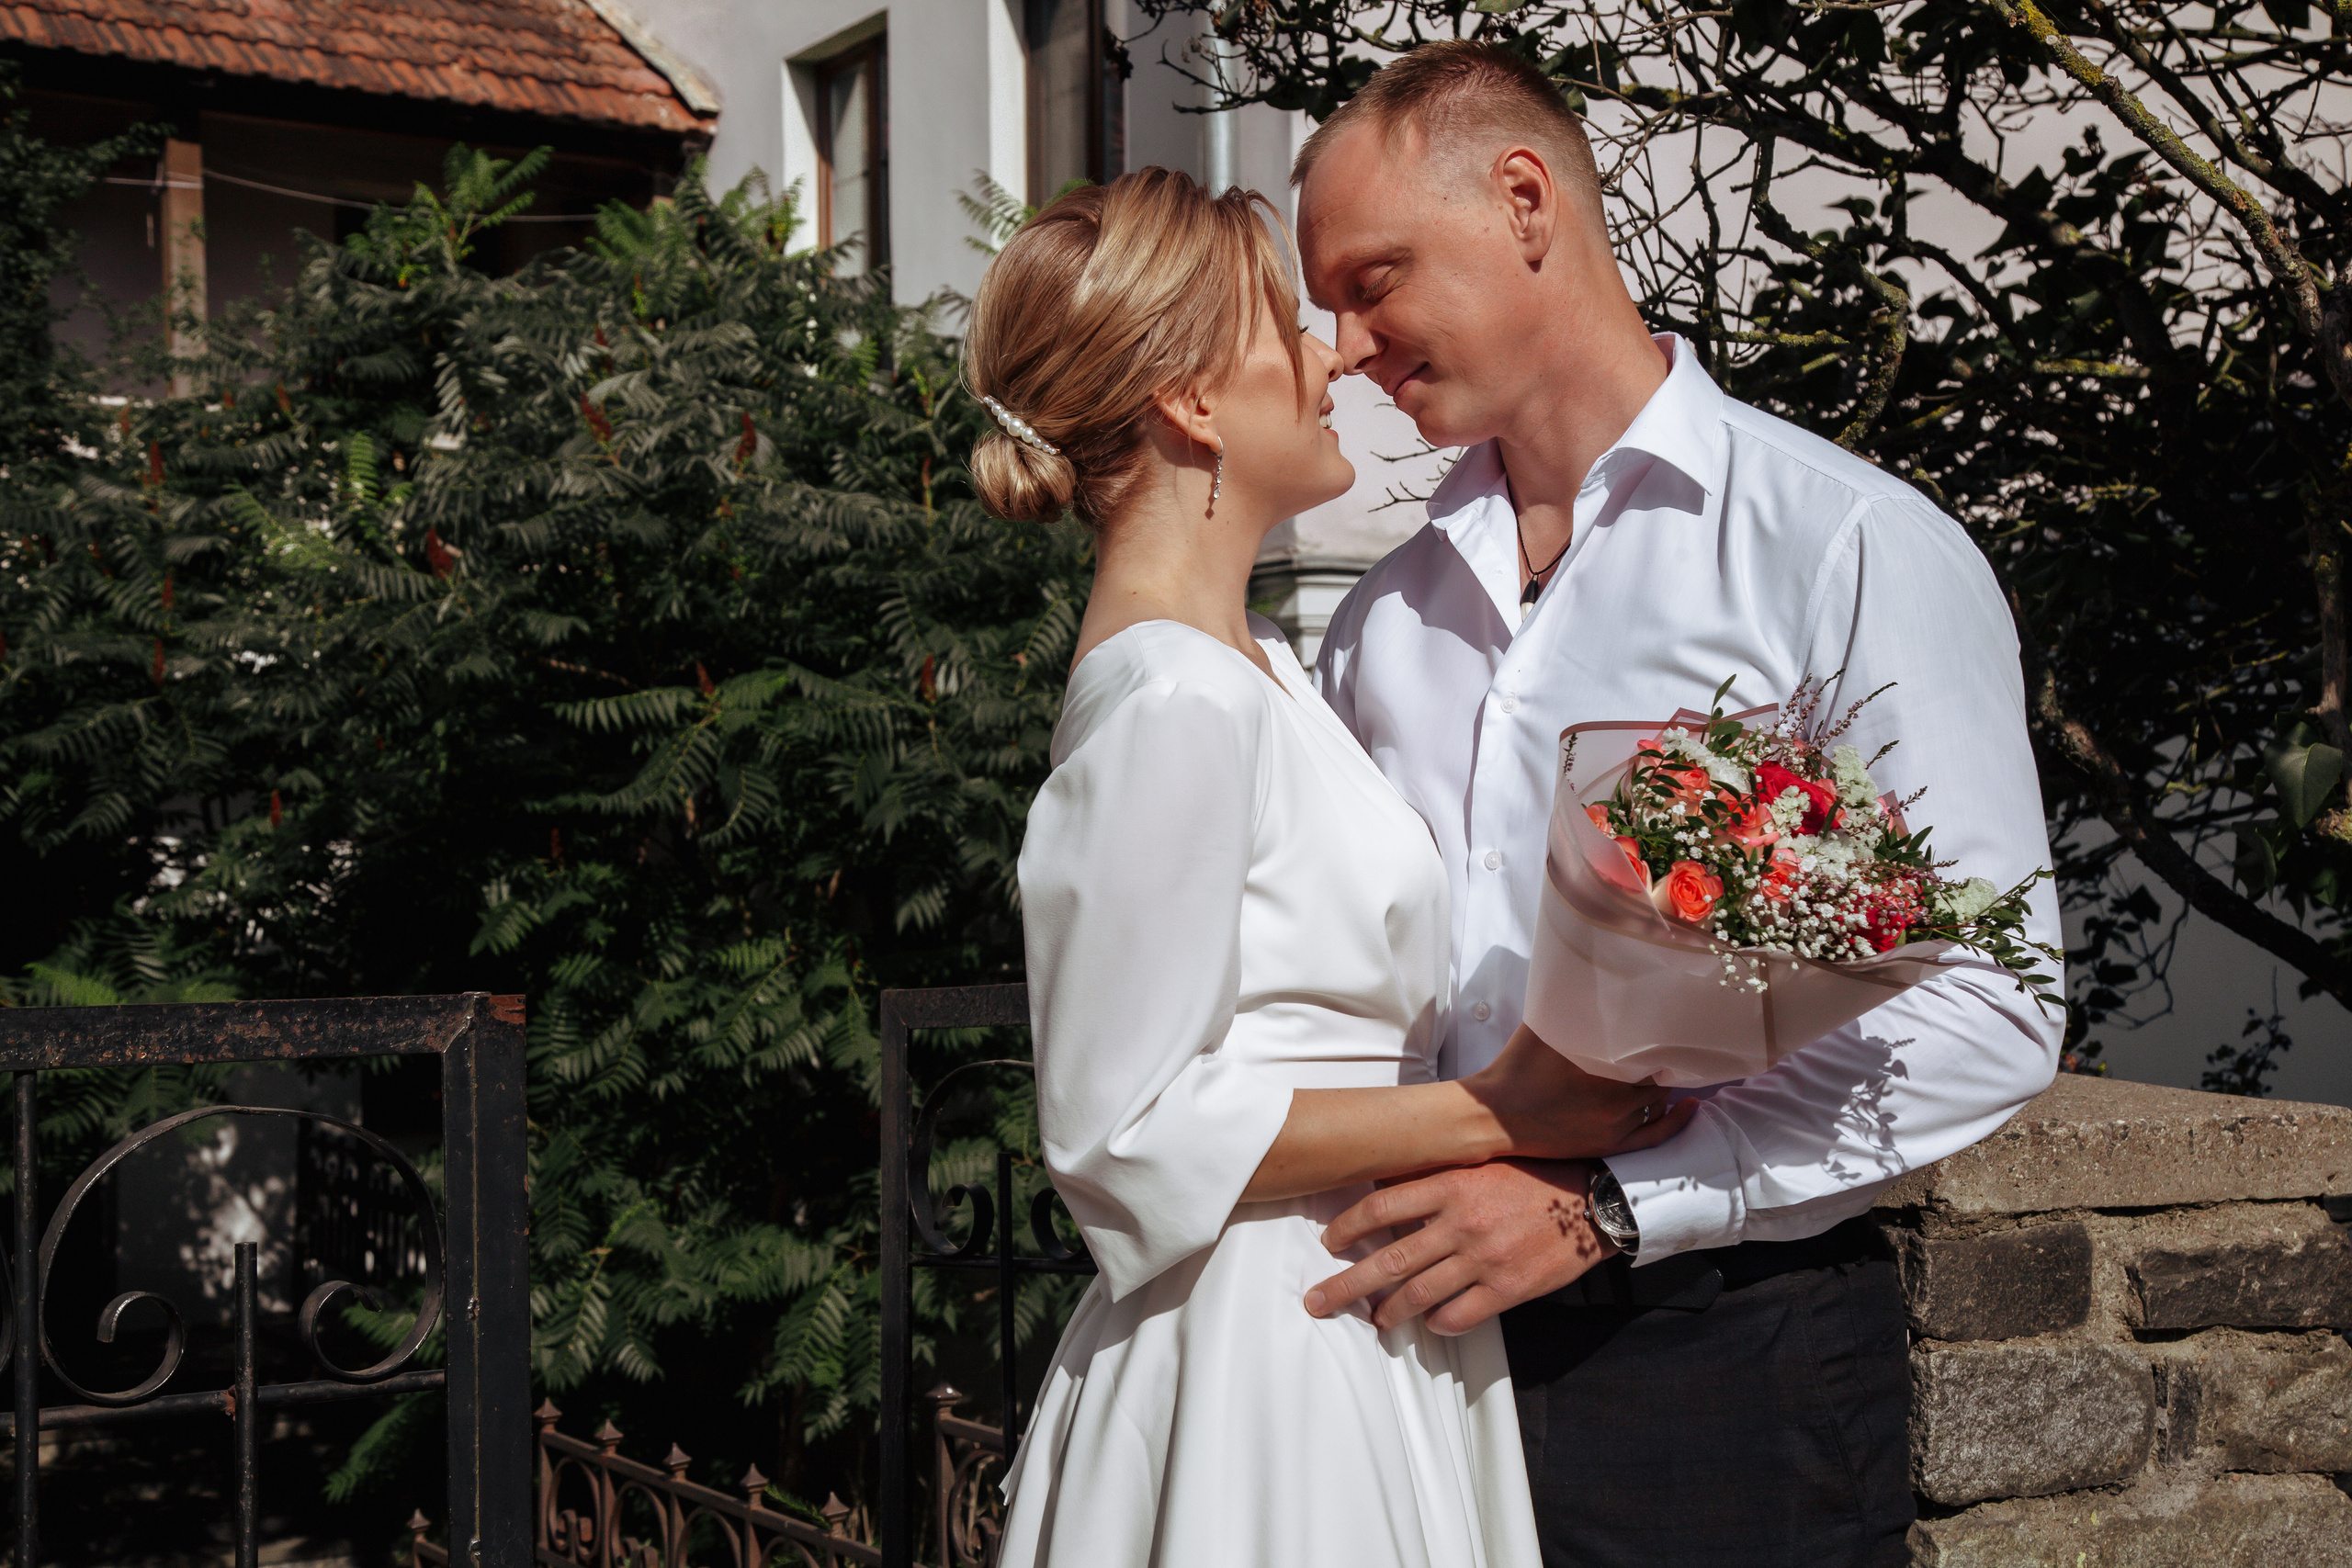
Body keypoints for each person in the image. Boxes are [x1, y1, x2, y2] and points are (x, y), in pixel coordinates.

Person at [1292, 42, 2066, 1568]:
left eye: (1373, 280)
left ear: (1526, 200)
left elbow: (1988, 1007)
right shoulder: (1377, 620)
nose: (1343, 344)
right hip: (1404, 1358)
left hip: (1714, 1369)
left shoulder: (1841, 543)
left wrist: (1620, 1203)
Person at [968, 168, 1691, 1568]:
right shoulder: (1177, 703)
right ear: (1189, 398)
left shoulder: (1266, 680)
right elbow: (1123, 1132)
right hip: (1263, 1358)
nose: (1330, 356)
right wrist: (1498, 1113)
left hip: (1346, 1306)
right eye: (1286, 328)